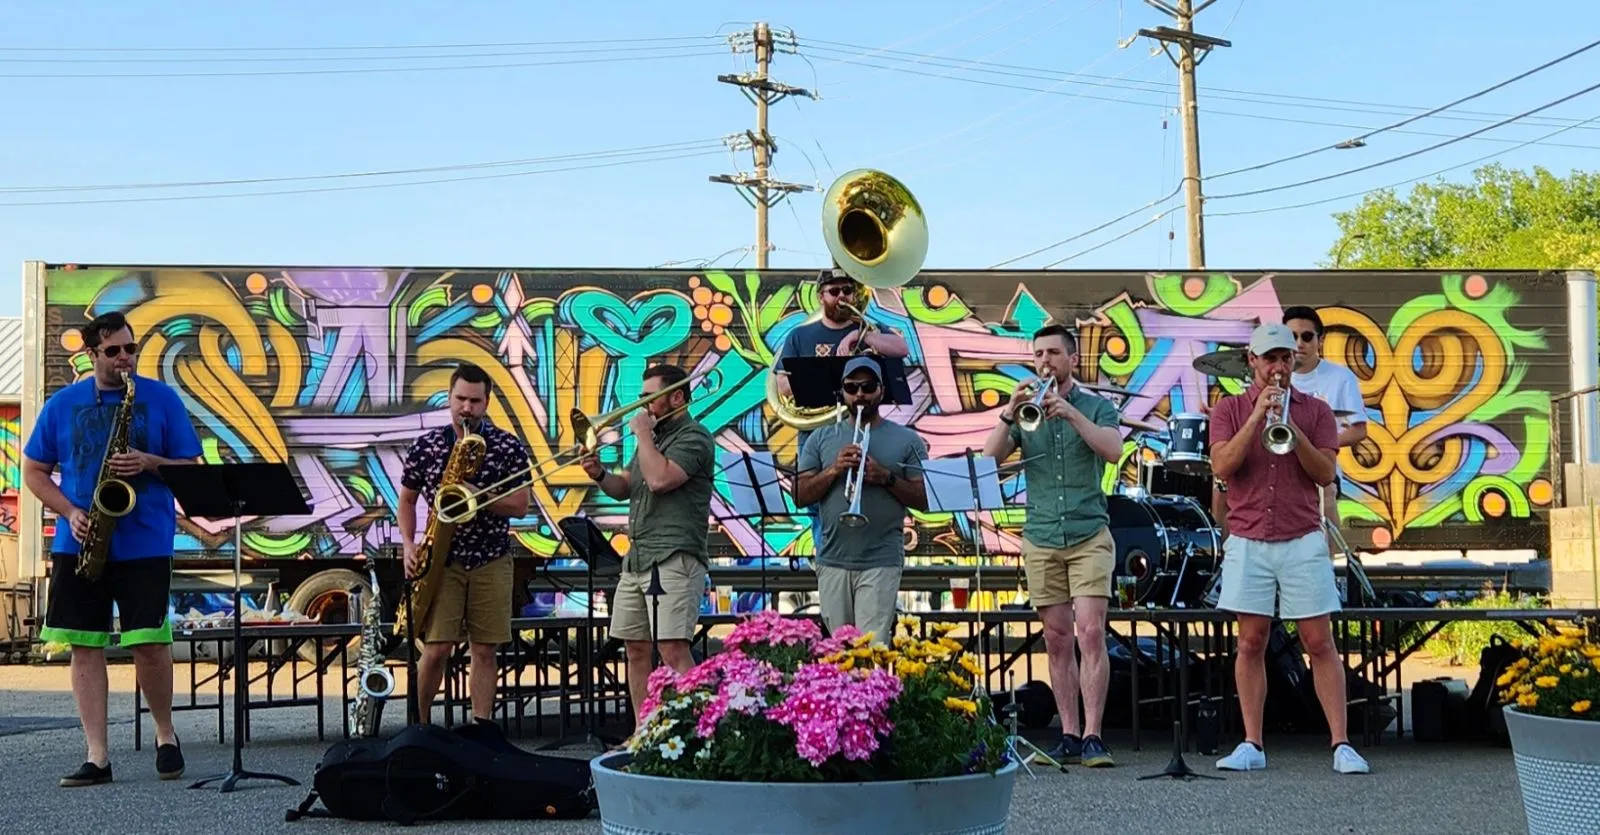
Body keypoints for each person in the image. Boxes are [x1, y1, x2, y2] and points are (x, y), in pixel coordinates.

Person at [23, 311, 204, 787]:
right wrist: (68, 511)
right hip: (80, 539)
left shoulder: (161, 399)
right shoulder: (63, 405)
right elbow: (34, 470)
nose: (125, 358)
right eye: (114, 351)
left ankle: (166, 737)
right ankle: (97, 755)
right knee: (84, 647)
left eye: (130, 348)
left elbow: (191, 465)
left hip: (145, 539)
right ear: (91, 354)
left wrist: (149, 461)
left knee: (149, 642)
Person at [1208, 323, 1371, 775]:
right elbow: (1223, 464)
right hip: (1248, 537)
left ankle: (1341, 744)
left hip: (1301, 537)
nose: (1279, 367)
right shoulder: (1229, 409)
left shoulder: (1316, 411)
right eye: (1270, 359)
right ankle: (1252, 744)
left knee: (1319, 642)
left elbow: (1323, 474)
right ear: (1252, 362)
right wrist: (1257, 417)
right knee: (1250, 642)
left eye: (1285, 359)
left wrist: (1291, 427)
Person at [982, 324, 1123, 768]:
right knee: (1058, 638)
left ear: (1072, 358)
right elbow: (987, 460)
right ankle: (1067, 734)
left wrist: (1072, 415)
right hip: (1041, 535)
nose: (1045, 361)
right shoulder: (1026, 411)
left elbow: (1114, 451)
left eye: (1053, 354)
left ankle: (1094, 735)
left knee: (1091, 631)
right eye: (1038, 354)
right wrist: (1010, 411)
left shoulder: (1097, 407)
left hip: (1088, 533)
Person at [580, 364, 716, 724]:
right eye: (641, 399)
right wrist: (599, 475)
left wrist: (642, 435)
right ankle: (645, 732)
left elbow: (658, 480)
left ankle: (703, 731)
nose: (642, 407)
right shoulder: (651, 441)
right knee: (634, 648)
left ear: (677, 398)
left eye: (650, 399)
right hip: (637, 559)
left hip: (673, 555)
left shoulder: (695, 437)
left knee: (672, 649)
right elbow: (626, 486)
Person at [399, 363, 531, 725]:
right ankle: (420, 727)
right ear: (449, 398)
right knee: (438, 648)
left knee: (485, 650)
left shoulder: (506, 445)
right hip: (443, 558)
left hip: (491, 557)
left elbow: (521, 505)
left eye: (474, 401)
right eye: (460, 399)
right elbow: (407, 500)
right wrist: (408, 545)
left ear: (487, 402)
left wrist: (480, 496)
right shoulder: (427, 445)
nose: (466, 408)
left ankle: (482, 729)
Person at [794, 356, 928, 646]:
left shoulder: (907, 440)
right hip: (832, 559)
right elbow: (801, 495)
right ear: (841, 392)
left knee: (872, 649)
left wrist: (885, 478)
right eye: (851, 387)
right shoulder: (820, 438)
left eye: (867, 387)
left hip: (881, 559)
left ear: (881, 390)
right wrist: (834, 470)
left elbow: (925, 499)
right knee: (838, 653)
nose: (859, 395)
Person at [1282, 305, 1367, 549]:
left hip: (1321, 468)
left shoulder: (1341, 377)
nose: (1300, 343)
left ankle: (1327, 573)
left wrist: (1317, 444)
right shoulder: (1275, 375)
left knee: (1325, 491)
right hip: (1277, 465)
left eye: (1307, 336)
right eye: (1292, 337)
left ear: (1319, 340)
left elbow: (1359, 430)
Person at [773, 267, 909, 401]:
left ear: (853, 295)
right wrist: (822, 376)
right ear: (821, 297)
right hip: (821, 420)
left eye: (847, 290)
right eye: (834, 291)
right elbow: (782, 385)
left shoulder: (869, 329)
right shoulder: (799, 335)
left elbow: (902, 349)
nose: (841, 296)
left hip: (863, 419)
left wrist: (859, 335)